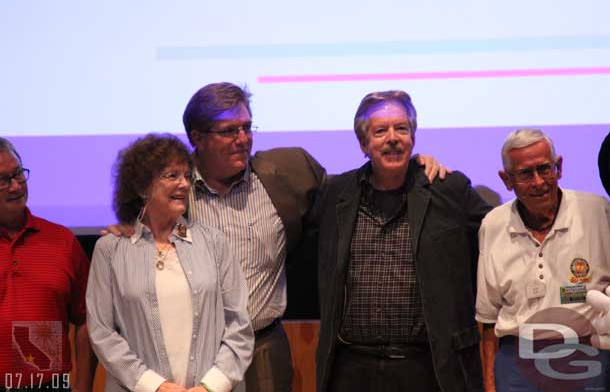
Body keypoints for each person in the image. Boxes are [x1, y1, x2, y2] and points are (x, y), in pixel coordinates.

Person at [108, 82, 447, 392]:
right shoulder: (172, 191)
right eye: (228, 131)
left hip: (263, 347)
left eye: (246, 127)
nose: (242, 139)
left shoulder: (286, 172)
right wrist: (128, 224)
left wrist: (410, 167)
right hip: (189, 351)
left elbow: (355, 192)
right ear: (197, 137)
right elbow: (139, 220)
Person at [313, 90, 491, 392]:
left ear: (413, 138)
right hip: (351, 369)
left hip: (429, 367)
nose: (393, 138)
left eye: (402, 129)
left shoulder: (448, 189)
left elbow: (500, 232)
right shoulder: (335, 194)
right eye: (380, 131)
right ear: (363, 144)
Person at [87, 134, 253, 392]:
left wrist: (211, 387)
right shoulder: (111, 250)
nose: (185, 184)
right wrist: (155, 386)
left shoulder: (213, 242)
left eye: (187, 175)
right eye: (172, 175)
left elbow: (239, 324)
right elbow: (102, 332)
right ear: (142, 188)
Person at [476, 129, 610, 392]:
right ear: (506, 180)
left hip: (587, 355)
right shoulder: (493, 224)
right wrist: (490, 386)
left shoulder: (598, 211)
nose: (538, 182)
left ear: (559, 167)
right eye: (526, 174)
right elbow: (488, 320)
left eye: (545, 169)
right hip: (516, 361)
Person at [0, 137, 95, 392]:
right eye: (3, 180)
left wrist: (83, 387)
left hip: (48, 383)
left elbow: (87, 319)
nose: (16, 186)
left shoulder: (61, 240)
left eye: (18, 174)